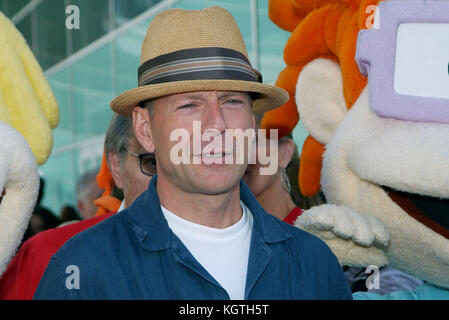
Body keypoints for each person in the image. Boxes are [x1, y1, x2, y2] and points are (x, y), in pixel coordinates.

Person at [34, 7, 352, 300]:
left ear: (253, 125)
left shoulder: (313, 263)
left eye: (232, 101)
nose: (217, 125)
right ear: (144, 129)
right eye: (189, 105)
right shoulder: (83, 272)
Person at [0, 114, 152, 300]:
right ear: (116, 166)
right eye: (151, 163)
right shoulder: (47, 253)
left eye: (183, 160)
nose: (171, 179)